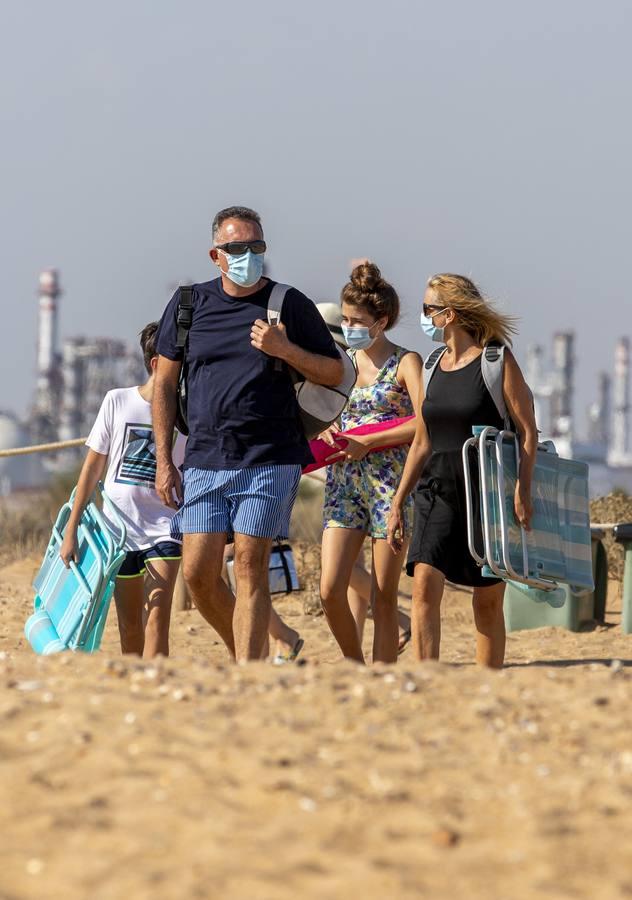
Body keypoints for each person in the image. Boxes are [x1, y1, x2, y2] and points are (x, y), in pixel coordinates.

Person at [153, 206, 343, 663]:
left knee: (251, 570)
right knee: (198, 572)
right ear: (216, 254)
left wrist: (285, 349)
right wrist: (164, 460)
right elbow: (163, 383)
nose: (248, 256)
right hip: (204, 458)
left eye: (256, 247)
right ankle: (247, 650)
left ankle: (247, 670)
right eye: (237, 248)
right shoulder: (188, 305)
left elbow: (334, 370)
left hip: (271, 456)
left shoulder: (288, 304)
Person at [387, 274, 538, 668]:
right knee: (423, 582)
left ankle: (487, 685)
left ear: (449, 314)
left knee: (486, 600)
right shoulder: (434, 364)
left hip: (485, 494)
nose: (423, 317)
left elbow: (527, 431)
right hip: (436, 490)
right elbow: (422, 440)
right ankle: (426, 680)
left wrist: (522, 491)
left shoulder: (496, 362)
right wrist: (398, 501)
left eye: (427, 309)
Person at [59, 323, 186, 658]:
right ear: (158, 362)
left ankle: (157, 685)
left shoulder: (185, 414)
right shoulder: (117, 401)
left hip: (165, 527)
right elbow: (92, 468)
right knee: (129, 625)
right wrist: (72, 527)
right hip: (117, 532)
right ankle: (136, 691)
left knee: (157, 616)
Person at [319, 262, 422, 664]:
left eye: (356, 320)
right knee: (330, 589)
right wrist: (325, 429)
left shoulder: (405, 362)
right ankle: (354, 664)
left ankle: (381, 679)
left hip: (389, 487)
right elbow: (320, 410)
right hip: (343, 482)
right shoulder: (342, 363)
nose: (348, 327)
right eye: (345, 319)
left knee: (382, 597)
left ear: (381, 323)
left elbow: (425, 423)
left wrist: (370, 440)